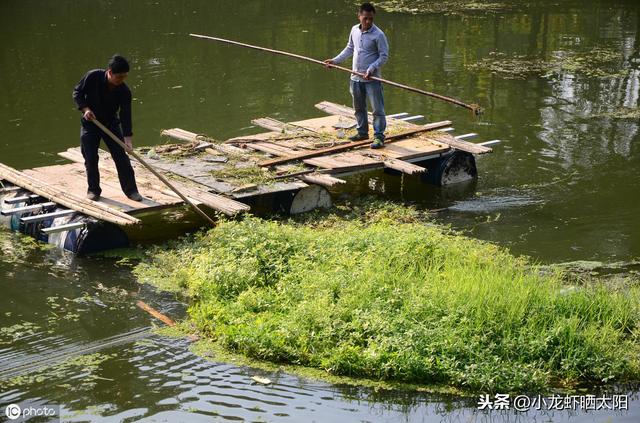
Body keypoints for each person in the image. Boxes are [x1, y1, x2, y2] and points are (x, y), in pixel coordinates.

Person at [72, 54, 142, 201]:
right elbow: (77, 93)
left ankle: (131, 191)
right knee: (90, 158)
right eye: (119, 77)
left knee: (122, 158)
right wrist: (85, 109)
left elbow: (125, 115)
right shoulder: (93, 77)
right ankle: (93, 190)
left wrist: (128, 139)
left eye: (125, 77)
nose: (121, 80)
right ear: (110, 72)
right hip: (91, 123)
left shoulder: (124, 91)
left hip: (111, 124)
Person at [324, 2, 389, 149]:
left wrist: (372, 68)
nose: (368, 22)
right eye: (365, 18)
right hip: (355, 77)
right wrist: (335, 61)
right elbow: (349, 48)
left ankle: (379, 137)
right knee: (359, 107)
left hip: (371, 79)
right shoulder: (354, 30)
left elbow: (384, 56)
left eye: (371, 19)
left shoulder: (378, 35)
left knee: (377, 109)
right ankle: (362, 132)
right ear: (359, 16)